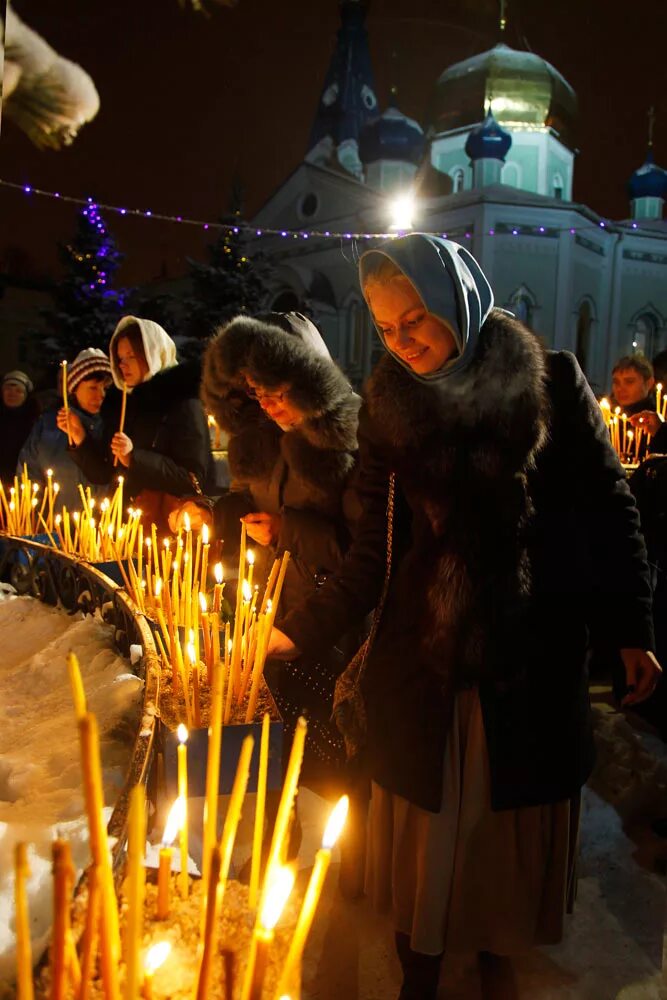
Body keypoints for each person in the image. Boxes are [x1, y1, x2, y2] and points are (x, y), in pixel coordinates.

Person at [268, 235, 661, 1000]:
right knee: (427, 818)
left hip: (526, 657)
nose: (401, 338)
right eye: (384, 327)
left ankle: (492, 951)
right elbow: (374, 551)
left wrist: (631, 628)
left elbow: (607, 512)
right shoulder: (390, 406)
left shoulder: (548, 383)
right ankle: (421, 951)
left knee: (500, 822)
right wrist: (300, 628)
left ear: (455, 299)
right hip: (423, 662)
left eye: (413, 316)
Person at [172, 312, 363, 785]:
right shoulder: (259, 440)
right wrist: (209, 511)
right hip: (272, 613)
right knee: (275, 759)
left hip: (331, 631)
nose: (269, 404)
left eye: (279, 391)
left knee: (322, 763)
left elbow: (363, 554)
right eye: (258, 392)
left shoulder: (350, 442)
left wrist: (285, 530)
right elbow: (246, 499)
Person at [63, 316, 212, 533]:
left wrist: (135, 458)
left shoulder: (183, 402)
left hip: (165, 529)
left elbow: (192, 479)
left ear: (152, 353)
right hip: (123, 527)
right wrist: (80, 439)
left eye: (131, 356)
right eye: (120, 358)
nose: (122, 365)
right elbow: (104, 474)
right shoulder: (122, 403)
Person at [19, 348, 112, 511]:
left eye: (105, 388)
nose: (101, 395)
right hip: (48, 528)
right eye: (93, 388)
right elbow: (28, 471)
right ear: (74, 387)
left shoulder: (109, 428)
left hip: (94, 529)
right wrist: (33, 516)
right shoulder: (48, 425)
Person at [0, 370, 39, 485]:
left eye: (18, 391)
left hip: (23, 482)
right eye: (8, 389)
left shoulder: (34, 422)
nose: (12, 394)